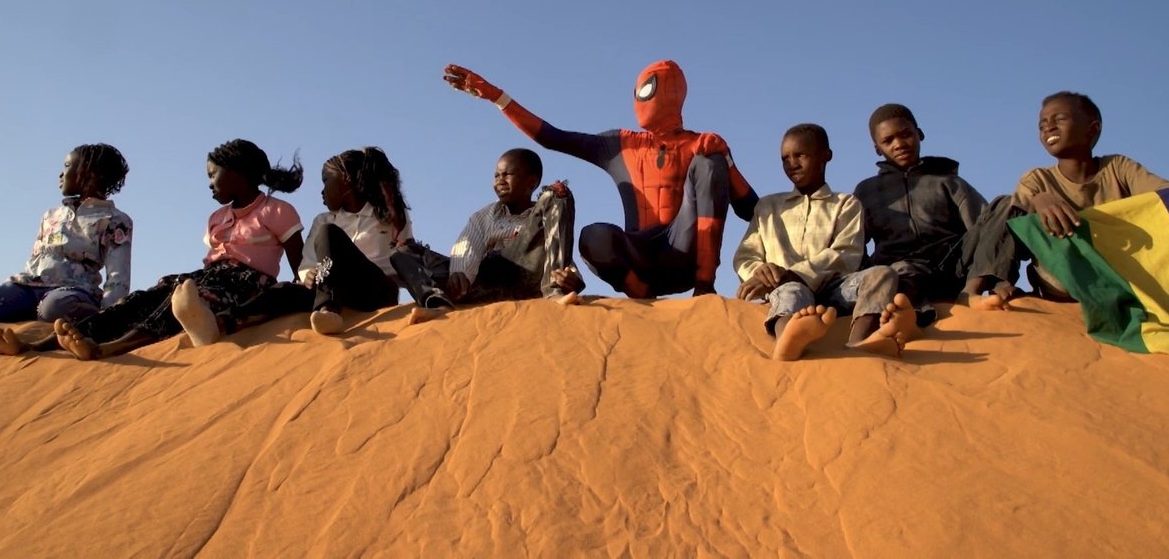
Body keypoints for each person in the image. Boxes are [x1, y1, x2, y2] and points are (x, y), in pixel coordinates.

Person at [443, 61, 757, 298]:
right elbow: (553, 137)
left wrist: (725, 160)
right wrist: (497, 97)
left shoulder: (702, 146)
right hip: (639, 258)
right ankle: (641, 295)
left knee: (708, 162)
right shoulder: (620, 144)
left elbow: (750, 209)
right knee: (593, 237)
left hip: (684, 252)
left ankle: (705, 285)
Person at [0, 139, 304, 359]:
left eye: (213, 175)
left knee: (172, 309)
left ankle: (109, 348)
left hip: (247, 283)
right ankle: (39, 346)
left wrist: (294, 295)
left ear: (237, 173)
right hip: (207, 276)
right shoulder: (217, 218)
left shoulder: (277, 210)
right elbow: (211, 261)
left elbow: (299, 263)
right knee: (140, 301)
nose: (209, 183)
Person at [963, 91, 1169, 305]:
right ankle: (973, 291)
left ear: (1092, 129)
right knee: (1006, 204)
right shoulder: (1037, 179)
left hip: (1114, 270)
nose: (1048, 127)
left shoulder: (1118, 168)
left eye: (1060, 119)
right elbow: (1015, 219)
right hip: (1062, 273)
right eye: (1042, 124)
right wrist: (1040, 199)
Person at [733, 125, 910, 360]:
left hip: (834, 289)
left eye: (800, 155)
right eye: (785, 159)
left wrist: (793, 273)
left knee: (882, 275)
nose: (792, 164)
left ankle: (860, 342)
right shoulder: (767, 206)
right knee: (792, 291)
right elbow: (746, 255)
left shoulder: (846, 204)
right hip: (782, 287)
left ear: (826, 155)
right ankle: (788, 339)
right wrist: (760, 272)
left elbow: (846, 254)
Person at [390, 148, 585, 321]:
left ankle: (554, 290)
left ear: (531, 182)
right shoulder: (484, 216)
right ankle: (438, 304)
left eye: (507, 174)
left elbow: (557, 242)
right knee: (403, 252)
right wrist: (460, 273)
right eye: (496, 175)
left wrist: (571, 277)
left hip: (526, 275)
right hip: (483, 281)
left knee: (557, 193)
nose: (500, 180)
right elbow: (467, 246)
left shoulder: (543, 214)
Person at [0, 144, 132, 325]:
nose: (61, 174)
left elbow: (118, 278)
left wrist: (109, 317)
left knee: (54, 309)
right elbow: (35, 259)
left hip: (73, 292)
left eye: (67, 166)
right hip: (27, 286)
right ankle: (23, 312)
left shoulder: (115, 220)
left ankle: (62, 319)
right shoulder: (51, 215)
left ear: (89, 174)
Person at [853, 104, 985, 329]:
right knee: (896, 273)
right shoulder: (867, 191)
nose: (899, 144)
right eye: (888, 140)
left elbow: (982, 226)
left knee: (1002, 208)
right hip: (899, 273)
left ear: (919, 134)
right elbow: (855, 247)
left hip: (952, 269)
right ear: (877, 149)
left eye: (906, 134)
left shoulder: (949, 182)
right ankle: (910, 318)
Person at [298, 147, 416, 335]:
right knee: (281, 292)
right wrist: (308, 275)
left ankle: (328, 310)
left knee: (329, 232)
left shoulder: (387, 215)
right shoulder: (323, 219)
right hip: (336, 289)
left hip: (376, 291)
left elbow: (407, 252)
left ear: (346, 179)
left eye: (326, 181)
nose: (322, 191)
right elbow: (308, 264)